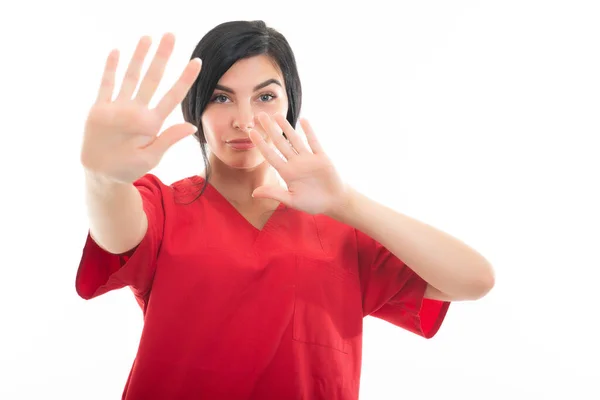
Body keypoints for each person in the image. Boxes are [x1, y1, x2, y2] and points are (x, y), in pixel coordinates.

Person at [77, 20, 495, 400]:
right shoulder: (165, 208)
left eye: (265, 96)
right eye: (221, 97)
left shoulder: (340, 227)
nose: (243, 120)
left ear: (289, 106)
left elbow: (474, 280)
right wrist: (103, 177)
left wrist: (348, 204)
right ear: (196, 111)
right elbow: (117, 231)